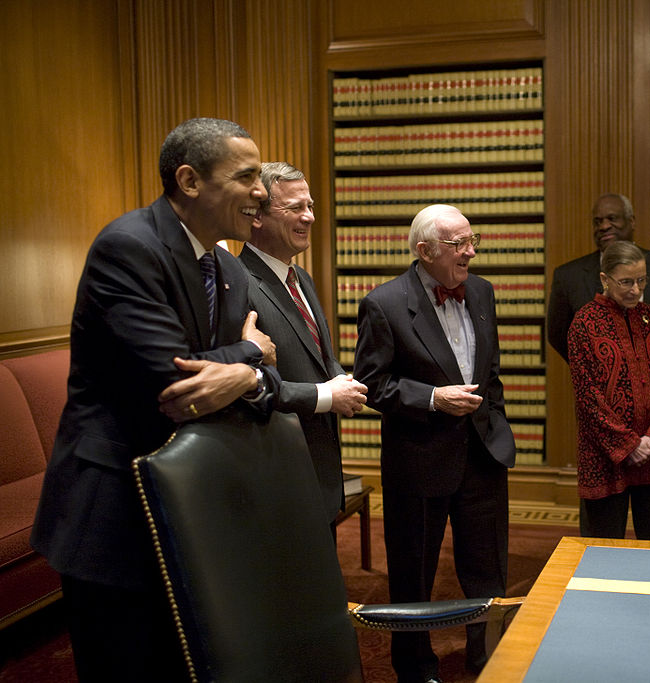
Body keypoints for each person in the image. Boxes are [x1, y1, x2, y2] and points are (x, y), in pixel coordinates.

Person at [31, 117, 280, 682]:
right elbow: (173, 386)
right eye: (247, 175)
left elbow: (263, 392)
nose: (262, 191)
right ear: (190, 181)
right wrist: (250, 353)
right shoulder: (128, 246)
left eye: (261, 176)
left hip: (198, 513)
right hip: (116, 510)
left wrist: (246, 374)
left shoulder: (230, 270)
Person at [353, 204, 515, 683]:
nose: (469, 252)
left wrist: (497, 423)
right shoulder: (383, 303)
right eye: (457, 244)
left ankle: (490, 659)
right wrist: (431, 398)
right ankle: (416, 668)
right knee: (413, 576)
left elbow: (491, 374)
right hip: (419, 462)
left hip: (483, 455)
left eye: (472, 240)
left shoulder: (482, 291)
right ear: (424, 251)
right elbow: (372, 384)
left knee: (488, 572)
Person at [240, 162, 367, 524]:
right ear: (258, 216)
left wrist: (342, 380)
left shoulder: (301, 277)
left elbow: (318, 355)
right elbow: (249, 385)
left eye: (310, 206)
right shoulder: (238, 282)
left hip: (318, 465)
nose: (309, 217)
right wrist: (327, 396)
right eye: (295, 207)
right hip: (277, 471)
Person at [567, 240, 650, 541]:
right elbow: (587, 395)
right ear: (605, 279)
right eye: (626, 282)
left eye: (642, 280)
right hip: (605, 455)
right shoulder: (584, 323)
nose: (636, 290)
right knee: (601, 546)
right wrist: (629, 444)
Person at [547, 193, 650, 362]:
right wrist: (591, 368)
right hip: (598, 386)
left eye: (612, 218)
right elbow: (557, 335)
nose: (604, 226)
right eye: (598, 222)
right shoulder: (568, 276)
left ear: (631, 222)